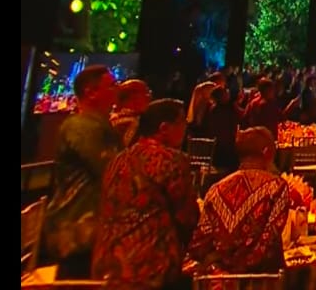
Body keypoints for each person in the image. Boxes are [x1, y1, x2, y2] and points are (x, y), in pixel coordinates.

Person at [92, 99, 200, 288]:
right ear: (164, 128)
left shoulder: (118, 160)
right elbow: (188, 218)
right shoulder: (170, 160)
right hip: (150, 267)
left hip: (106, 265)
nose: (185, 128)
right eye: (182, 122)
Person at [185, 127, 304, 274]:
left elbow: (198, 244)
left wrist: (221, 268)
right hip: (263, 281)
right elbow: (269, 241)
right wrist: (242, 268)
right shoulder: (276, 188)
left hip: (222, 281)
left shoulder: (215, 190)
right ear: (267, 152)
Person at [45, 65, 122, 279]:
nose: (117, 90)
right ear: (91, 92)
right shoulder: (81, 127)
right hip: (78, 229)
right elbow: (111, 171)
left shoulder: (102, 126)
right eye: (112, 85)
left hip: (91, 229)